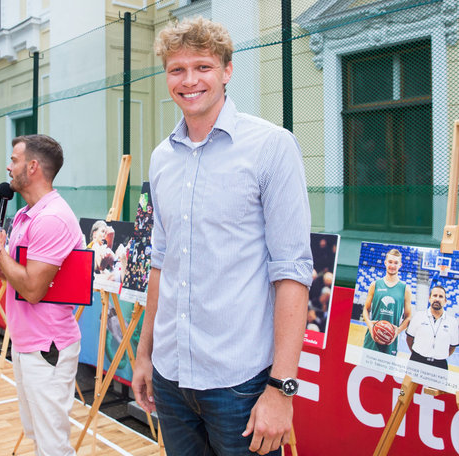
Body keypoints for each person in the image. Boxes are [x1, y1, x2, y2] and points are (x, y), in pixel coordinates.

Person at [131, 17, 313, 456]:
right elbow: (161, 260)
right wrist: (144, 354)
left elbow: (292, 272)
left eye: (203, 67)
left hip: (240, 384)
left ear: (227, 71)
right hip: (171, 379)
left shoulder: (273, 146)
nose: (189, 80)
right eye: (177, 69)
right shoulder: (161, 158)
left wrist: (281, 389)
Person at [0, 134, 82, 456]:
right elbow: (4, 274)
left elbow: (32, 288)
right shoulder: (28, 214)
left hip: (47, 346)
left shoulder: (52, 218)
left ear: (34, 166)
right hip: (29, 342)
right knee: (39, 438)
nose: (9, 167)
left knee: (53, 445)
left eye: (14, 160)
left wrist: (3, 253)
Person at [362, 248, 412, 356]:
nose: (392, 265)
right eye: (390, 262)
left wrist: (397, 331)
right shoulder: (375, 285)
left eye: (396, 263)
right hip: (372, 337)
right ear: (385, 263)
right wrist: (370, 326)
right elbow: (366, 309)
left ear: (400, 265)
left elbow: (408, 317)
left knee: (386, 373)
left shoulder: (405, 288)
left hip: (391, 341)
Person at [406, 285, 459, 371]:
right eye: (434, 295)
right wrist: (418, 353)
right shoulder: (418, 316)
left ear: (445, 301)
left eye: (441, 296)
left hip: (439, 364)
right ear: (429, 298)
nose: (437, 299)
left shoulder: (452, 322)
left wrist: (439, 355)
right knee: (406, 385)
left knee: (435, 385)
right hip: (417, 360)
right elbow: (409, 338)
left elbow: (452, 347)